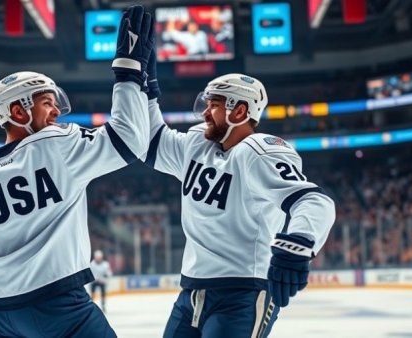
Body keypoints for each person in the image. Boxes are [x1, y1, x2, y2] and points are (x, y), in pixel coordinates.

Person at [0, 5, 155, 338]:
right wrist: (128, 73)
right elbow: (130, 138)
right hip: (58, 305)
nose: (57, 112)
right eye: (48, 102)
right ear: (18, 111)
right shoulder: (57, 144)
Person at [142, 49, 336, 337]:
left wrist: (297, 242)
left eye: (214, 105)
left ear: (240, 110)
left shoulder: (260, 151)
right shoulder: (198, 143)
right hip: (191, 292)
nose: (205, 112)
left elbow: (313, 199)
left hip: (243, 293)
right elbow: (149, 140)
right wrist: (143, 90)